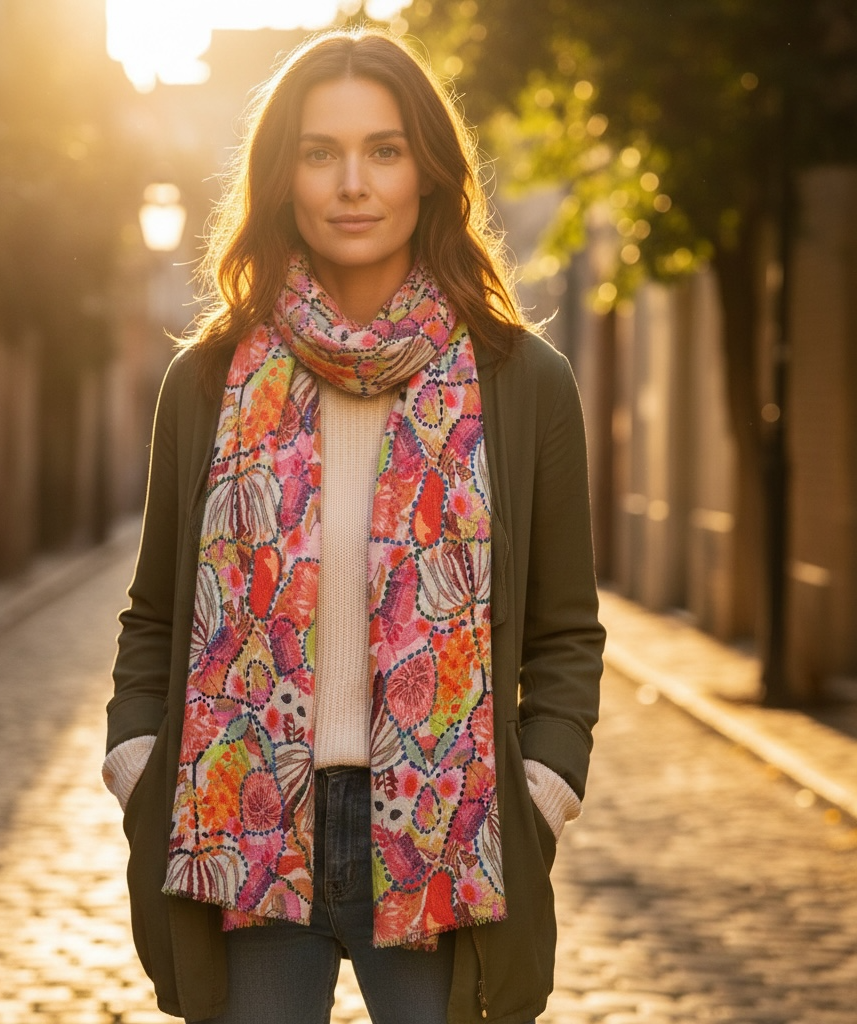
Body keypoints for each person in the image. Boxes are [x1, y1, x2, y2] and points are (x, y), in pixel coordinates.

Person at [102, 26, 604, 1024]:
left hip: (438, 839)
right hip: (242, 829)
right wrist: (137, 761)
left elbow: (564, 631)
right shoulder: (205, 381)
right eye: (319, 151)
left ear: (427, 170)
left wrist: (541, 789)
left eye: (382, 149)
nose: (352, 183)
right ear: (282, 175)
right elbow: (154, 610)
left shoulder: (522, 381)